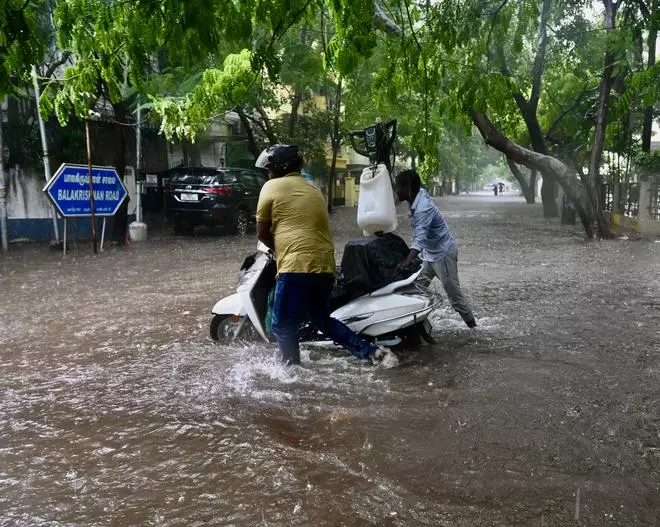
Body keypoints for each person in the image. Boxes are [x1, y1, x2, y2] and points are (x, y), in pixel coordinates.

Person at [255, 144, 395, 366]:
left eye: (270, 169)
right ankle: (371, 353)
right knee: (322, 320)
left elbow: (263, 233)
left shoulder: (271, 187)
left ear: (279, 168)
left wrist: (281, 251)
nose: (268, 173)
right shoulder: (314, 189)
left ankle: (291, 373)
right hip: (325, 267)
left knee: (281, 324)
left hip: (296, 266)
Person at [395, 169, 476, 329]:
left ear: (408, 188)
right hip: (429, 255)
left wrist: (406, 262)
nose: (397, 190)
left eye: (399, 187)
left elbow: (419, 239)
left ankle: (474, 329)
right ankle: (416, 326)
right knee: (415, 290)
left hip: (442, 255)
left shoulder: (423, 209)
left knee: (454, 297)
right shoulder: (418, 195)